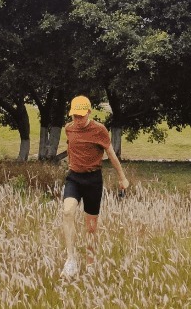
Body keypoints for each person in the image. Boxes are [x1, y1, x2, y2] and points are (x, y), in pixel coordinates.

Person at [61, 95, 130, 278]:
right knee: (67, 212)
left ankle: (90, 263)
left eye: (81, 116)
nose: (77, 120)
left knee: (91, 227)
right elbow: (71, 149)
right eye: (75, 116)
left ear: (89, 113)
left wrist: (122, 178)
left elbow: (111, 154)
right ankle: (71, 261)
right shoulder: (68, 129)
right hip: (74, 178)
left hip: (93, 180)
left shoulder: (99, 130)